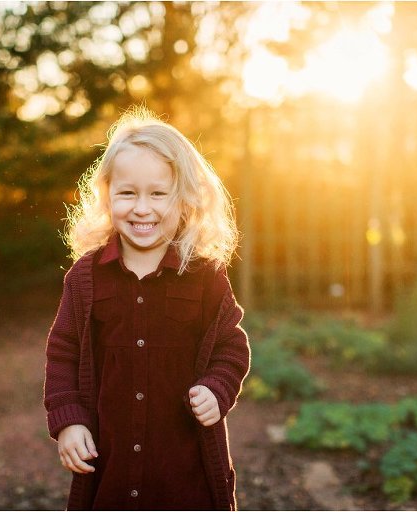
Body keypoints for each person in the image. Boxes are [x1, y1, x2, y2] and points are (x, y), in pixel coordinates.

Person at [44, 106, 250, 510]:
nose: (142, 208)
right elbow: (63, 352)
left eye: (158, 194)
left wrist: (217, 388)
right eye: (127, 193)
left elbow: (231, 344)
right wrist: (69, 421)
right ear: (107, 196)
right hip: (110, 469)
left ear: (185, 199)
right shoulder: (85, 277)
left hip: (186, 474)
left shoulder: (204, 276)